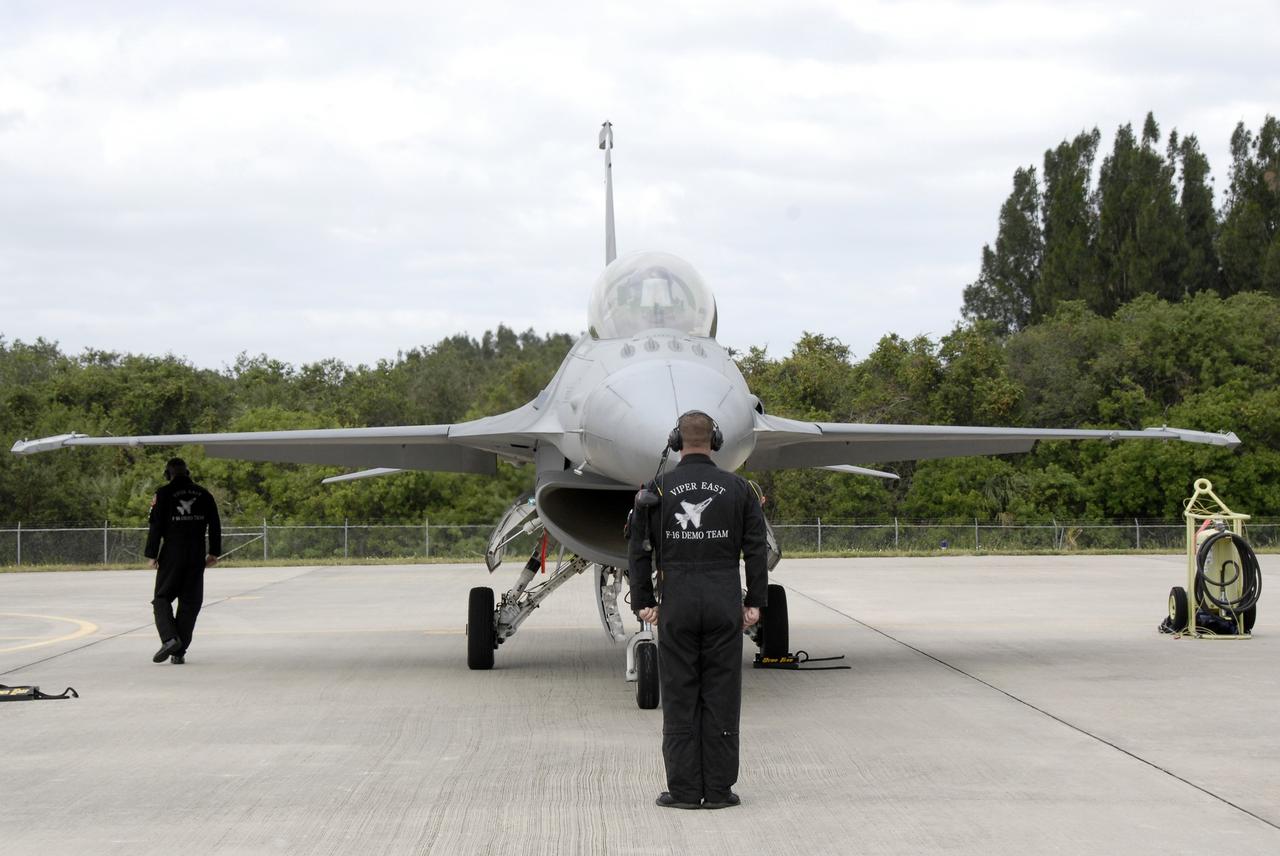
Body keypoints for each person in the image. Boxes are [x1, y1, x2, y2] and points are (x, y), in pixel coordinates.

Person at [628, 410, 769, 810]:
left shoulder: (655, 489)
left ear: (676, 441)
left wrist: (643, 603)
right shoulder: (739, 488)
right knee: (722, 693)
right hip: (724, 598)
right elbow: (756, 549)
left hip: (677, 602)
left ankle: (686, 791)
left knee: (680, 693)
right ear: (715, 440)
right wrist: (755, 602)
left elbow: (638, 550)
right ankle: (720, 791)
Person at [144, 457, 221, 664]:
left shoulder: (163, 493)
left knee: (162, 598)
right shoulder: (204, 494)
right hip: (196, 553)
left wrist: (152, 555)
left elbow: (156, 526)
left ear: (168, 475)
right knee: (190, 602)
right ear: (188, 473)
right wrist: (214, 552)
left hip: (172, 553)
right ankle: (179, 652)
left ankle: (169, 639)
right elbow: (215, 524)